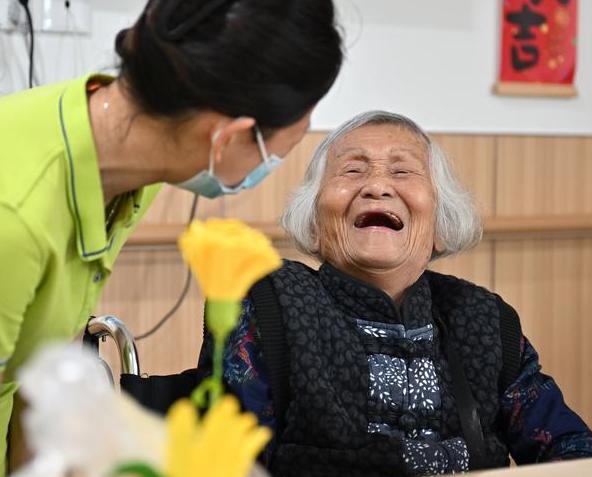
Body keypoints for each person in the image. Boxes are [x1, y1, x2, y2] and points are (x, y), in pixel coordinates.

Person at [0, 0, 343, 473]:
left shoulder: (124, 162)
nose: (271, 166)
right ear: (226, 138)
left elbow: (38, 368)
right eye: (280, 150)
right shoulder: (16, 215)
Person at [199, 111, 592, 476]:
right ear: (315, 223)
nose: (377, 186)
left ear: (440, 222)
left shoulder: (485, 319)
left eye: (402, 171)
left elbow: (573, 452)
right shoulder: (268, 303)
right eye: (352, 171)